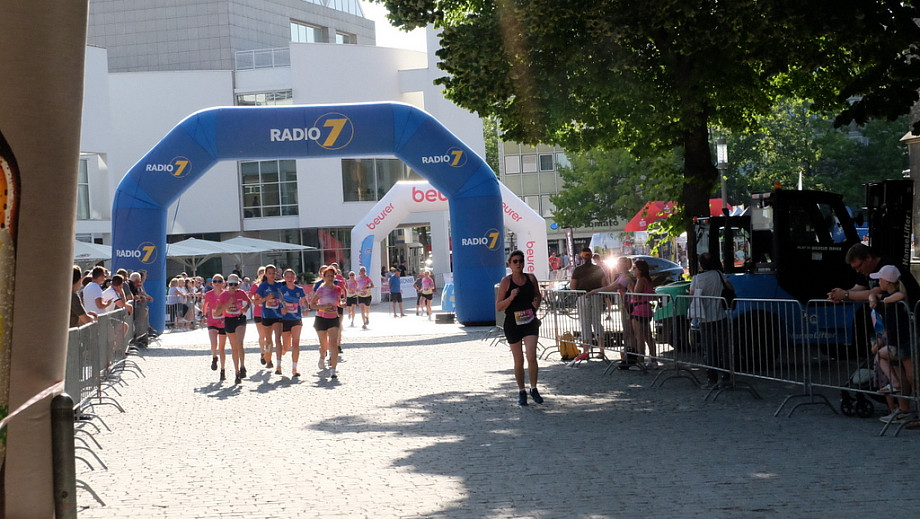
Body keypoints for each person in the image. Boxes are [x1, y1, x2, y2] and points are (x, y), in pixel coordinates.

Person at [866, 265, 915, 424]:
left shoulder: (896, 296)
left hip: (902, 342)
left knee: (911, 376)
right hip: (896, 342)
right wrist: (873, 298)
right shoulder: (886, 296)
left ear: (887, 281)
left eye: (880, 279)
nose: (878, 282)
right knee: (904, 373)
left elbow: (900, 295)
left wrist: (885, 300)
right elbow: (873, 295)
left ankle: (903, 401)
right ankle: (902, 406)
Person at [496, 250, 544, 405]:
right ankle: (521, 390)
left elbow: (537, 294)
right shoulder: (506, 282)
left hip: (529, 321)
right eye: (515, 261)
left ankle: (534, 388)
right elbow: (499, 306)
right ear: (509, 264)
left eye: (521, 261)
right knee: (519, 359)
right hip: (513, 323)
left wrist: (536, 302)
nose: (518, 264)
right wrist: (511, 297)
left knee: (531, 355)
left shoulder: (531, 278)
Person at [688, 253, 733, 388]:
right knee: (724, 347)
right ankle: (726, 377)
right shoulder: (718, 274)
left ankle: (711, 379)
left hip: (705, 317)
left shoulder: (697, 278)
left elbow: (692, 296)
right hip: (720, 315)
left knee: (709, 349)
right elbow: (730, 288)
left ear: (701, 264)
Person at [827, 243, 920, 306]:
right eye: (855, 268)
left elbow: (876, 292)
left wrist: (845, 295)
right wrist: (839, 295)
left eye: (859, 266)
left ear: (868, 258)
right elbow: (857, 289)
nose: (858, 271)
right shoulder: (866, 270)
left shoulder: (886, 267)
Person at [586, 256, 636, 367]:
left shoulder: (626, 277)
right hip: (624, 305)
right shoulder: (621, 276)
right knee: (627, 331)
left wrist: (595, 291)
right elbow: (611, 286)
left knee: (629, 332)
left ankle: (632, 354)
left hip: (628, 306)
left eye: (618, 264)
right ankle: (629, 353)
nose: (616, 266)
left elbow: (613, 287)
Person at [570, 248, 607, 357]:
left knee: (585, 324)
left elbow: (572, 286)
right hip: (596, 296)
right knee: (597, 322)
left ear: (582, 256)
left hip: (583, 297)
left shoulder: (578, 270)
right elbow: (605, 284)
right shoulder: (598, 269)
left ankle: (586, 351)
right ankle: (601, 350)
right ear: (591, 256)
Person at [216, 273, 251, 384]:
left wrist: (246, 307)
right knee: (234, 347)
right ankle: (237, 372)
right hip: (229, 320)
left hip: (239, 319)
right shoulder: (223, 295)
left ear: (238, 284)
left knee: (240, 343)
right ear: (227, 284)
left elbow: (249, 301)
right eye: (231, 284)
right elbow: (217, 312)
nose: (233, 287)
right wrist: (227, 305)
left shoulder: (241, 293)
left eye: (235, 284)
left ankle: (242, 366)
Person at [311, 266, 346, 379]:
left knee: (333, 344)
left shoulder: (338, 289)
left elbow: (338, 302)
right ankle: (322, 356)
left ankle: (333, 370)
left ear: (335, 276)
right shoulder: (321, 289)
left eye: (332, 276)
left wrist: (342, 304)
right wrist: (323, 307)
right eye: (328, 276)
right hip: (321, 319)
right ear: (324, 277)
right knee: (324, 345)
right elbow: (312, 305)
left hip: (333, 318)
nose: (330, 278)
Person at [253, 264, 284, 372]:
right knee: (269, 340)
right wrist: (266, 299)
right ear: (266, 274)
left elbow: (284, 297)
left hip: (278, 315)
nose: (272, 275)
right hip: (266, 315)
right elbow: (255, 301)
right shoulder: (263, 286)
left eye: (273, 273)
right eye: (269, 273)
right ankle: (269, 360)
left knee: (278, 339)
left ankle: (279, 365)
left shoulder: (279, 285)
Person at [629, 259, 658, 369]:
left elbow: (636, 296)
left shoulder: (641, 280)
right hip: (646, 309)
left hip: (639, 310)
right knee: (648, 336)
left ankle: (640, 361)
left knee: (639, 337)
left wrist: (630, 289)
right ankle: (653, 360)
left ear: (640, 270)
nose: (633, 270)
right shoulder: (647, 280)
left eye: (634, 268)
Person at [279, 268, 308, 377]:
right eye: (287, 277)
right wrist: (281, 310)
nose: (290, 278)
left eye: (291, 276)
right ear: (284, 278)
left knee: (296, 343)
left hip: (296, 319)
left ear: (295, 278)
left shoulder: (299, 290)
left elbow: (305, 301)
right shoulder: (281, 290)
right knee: (286, 346)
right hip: (285, 319)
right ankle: (282, 353)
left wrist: (306, 309)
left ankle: (294, 368)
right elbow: (277, 304)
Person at [249, 266, 272, 366]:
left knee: (269, 336)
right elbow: (250, 296)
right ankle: (263, 353)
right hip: (259, 313)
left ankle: (268, 355)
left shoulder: (270, 285)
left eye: (264, 272)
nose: (263, 274)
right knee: (262, 335)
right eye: (261, 273)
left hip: (269, 312)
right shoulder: (255, 285)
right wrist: (255, 301)